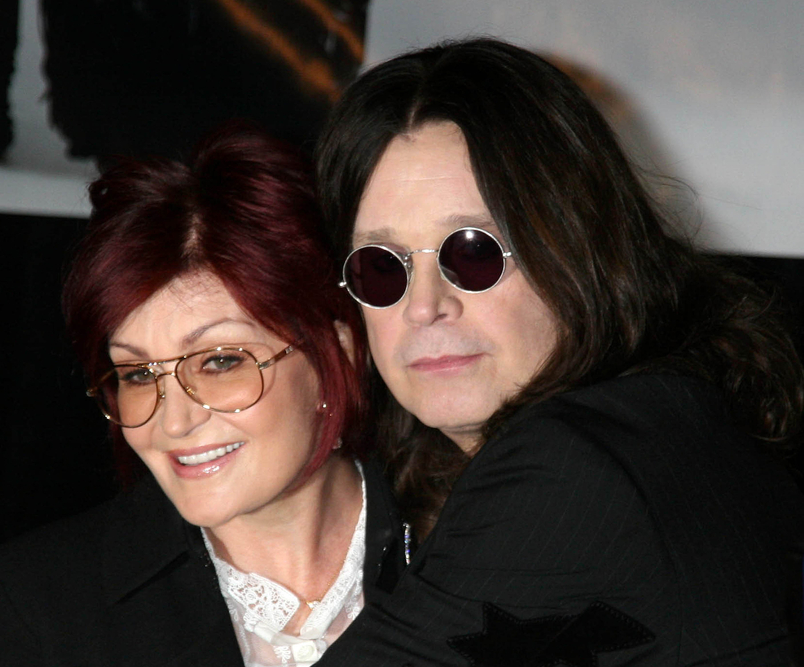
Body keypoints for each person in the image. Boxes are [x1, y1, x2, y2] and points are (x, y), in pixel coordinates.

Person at [314, 37, 804, 666]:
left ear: (578, 247)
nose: (423, 306)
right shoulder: (665, 419)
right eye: (382, 268)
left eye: (472, 251)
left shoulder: (578, 465)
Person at [0, 124, 408, 667]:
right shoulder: (48, 599)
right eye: (138, 374)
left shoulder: (477, 537)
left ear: (342, 351)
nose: (173, 421)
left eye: (219, 362)